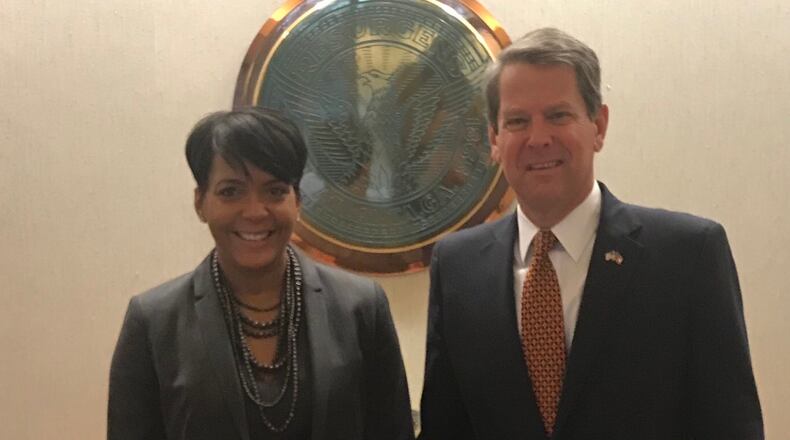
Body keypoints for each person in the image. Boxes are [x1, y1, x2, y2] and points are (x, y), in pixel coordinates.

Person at [418, 28, 763, 439]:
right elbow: (446, 426)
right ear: (494, 138)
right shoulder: (457, 267)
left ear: (598, 126)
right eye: (518, 121)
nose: (538, 138)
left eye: (558, 116)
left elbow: (731, 425)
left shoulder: (688, 255)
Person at [108, 107, 415, 440]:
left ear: (297, 200)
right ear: (200, 203)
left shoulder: (361, 307)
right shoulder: (153, 322)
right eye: (231, 191)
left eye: (274, 191)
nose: (254, 211)